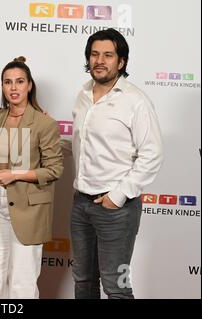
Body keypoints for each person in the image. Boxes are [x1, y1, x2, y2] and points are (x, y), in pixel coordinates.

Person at [71, 28, 163, 299]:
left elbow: (152, 153)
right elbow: (84, 145)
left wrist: (118, 195)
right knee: (83, 281)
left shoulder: (136, 101)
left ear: (121, 62)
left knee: (116, 287)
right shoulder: (83, 94)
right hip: (81, 205)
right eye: (95, 54)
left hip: (117, 210)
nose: (100, 60)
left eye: (108, 55)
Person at [0, 57, 63, 299]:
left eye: (19, 81)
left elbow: (54, 169)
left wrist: (15, 175)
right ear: (2, 87)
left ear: (29, 85)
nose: (13, 88)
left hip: (29, 209)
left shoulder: (44, 123)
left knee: (23, 279)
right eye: (8, 82)